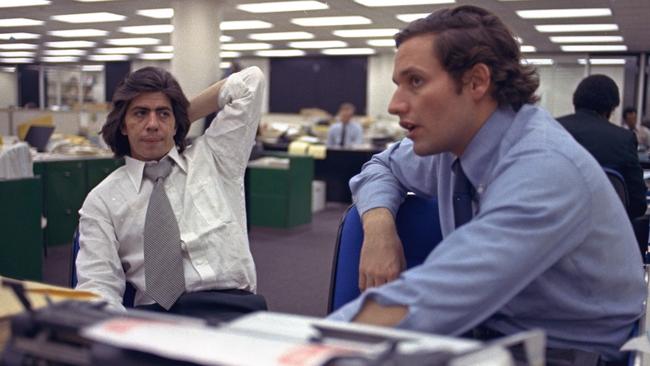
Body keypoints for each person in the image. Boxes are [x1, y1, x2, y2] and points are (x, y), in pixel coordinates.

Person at [328, 5, 645, 363]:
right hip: (485, 339)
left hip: (568, 355)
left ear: (477, 81)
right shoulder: (448, 147)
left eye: (415, 81)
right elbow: (379, 167)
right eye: (398, 84)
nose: (394, 104)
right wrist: (379, 228)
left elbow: (436, 295)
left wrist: (309, 350)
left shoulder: (543, 168)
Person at [75, 66, 267, 321]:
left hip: (234, 310)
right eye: (140, 113)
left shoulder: (215, 157)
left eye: (163, 114)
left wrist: (180, 117)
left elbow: (250, 82)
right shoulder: (101, 200)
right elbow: (97, 286)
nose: (152, 124)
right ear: (123, 125)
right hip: (157, 319)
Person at [557, 75, 647, 218]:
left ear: (576, 102)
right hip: (605, 232)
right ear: (611, 108)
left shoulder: (550, 129)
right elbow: (637, 204)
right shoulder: (623, 138)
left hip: (551, 229)